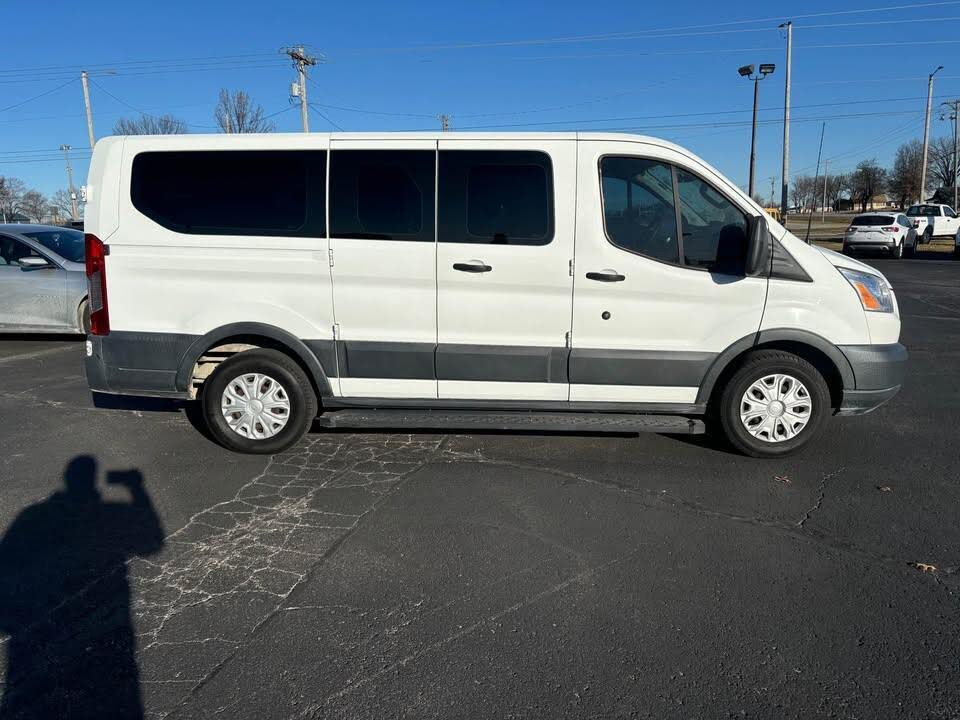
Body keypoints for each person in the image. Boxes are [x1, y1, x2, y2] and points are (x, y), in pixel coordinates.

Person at [0, 456, 164, 719]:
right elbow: (152, 543)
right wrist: (136, 488)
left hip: (33, 637)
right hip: (99, 620)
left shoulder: (33, 515)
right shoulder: (103, 511)